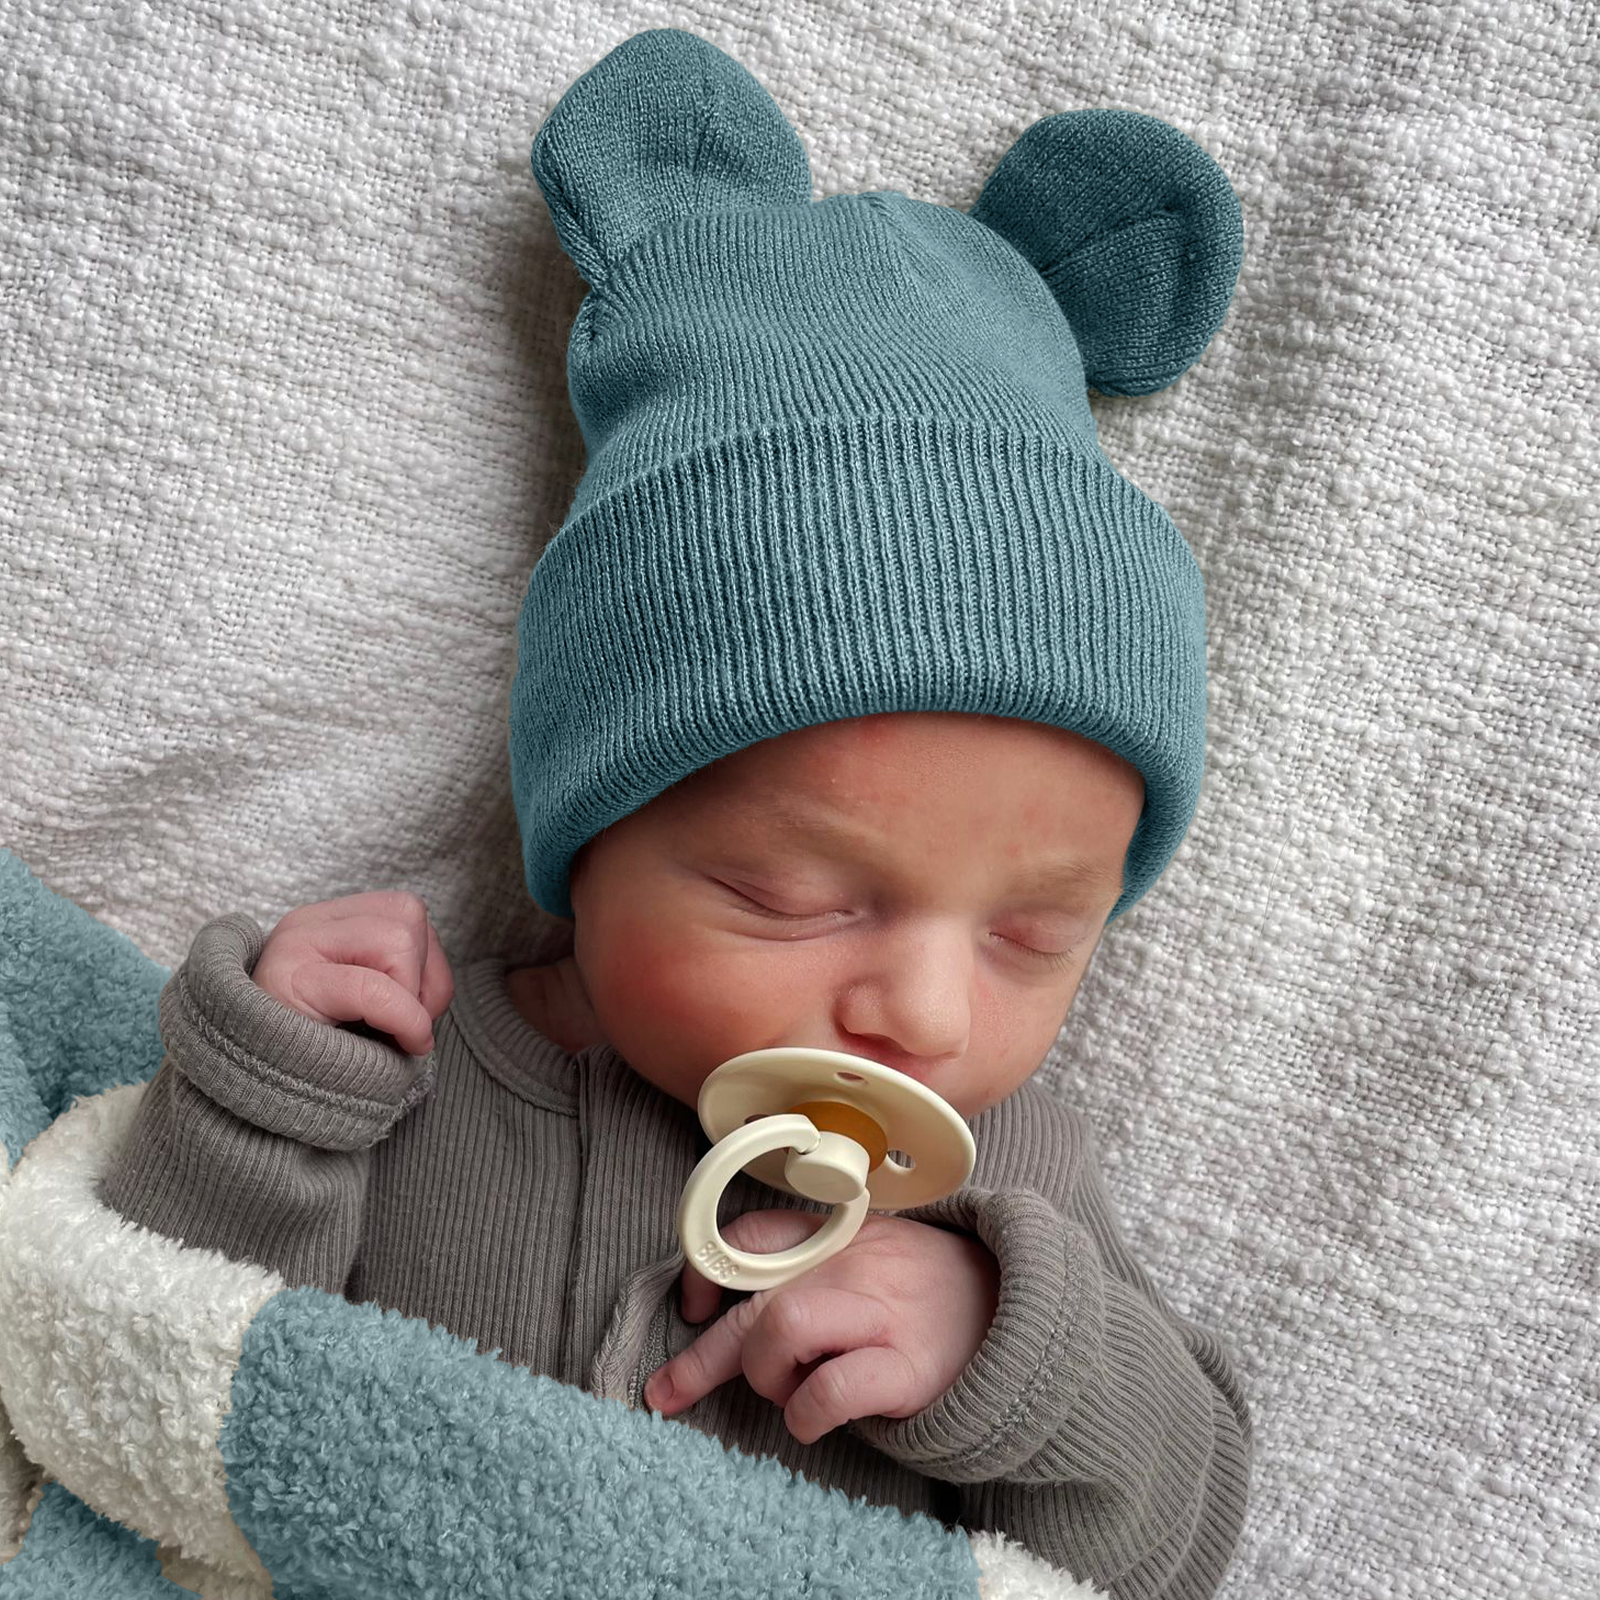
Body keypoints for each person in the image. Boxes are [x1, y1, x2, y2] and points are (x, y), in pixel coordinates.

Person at [98, 27, 1252, 1598]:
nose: (918, 1009)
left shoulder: (1005, 1186)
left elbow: (1176, 1545)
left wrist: (1015, 1356)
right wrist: (267, 1109)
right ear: (589, 824)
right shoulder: (407, 1078)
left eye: (1037, 935)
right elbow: (150, 1386)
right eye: (795, 894)